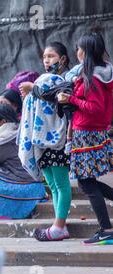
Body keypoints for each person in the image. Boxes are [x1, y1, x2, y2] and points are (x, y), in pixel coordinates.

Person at [57, 32, 113, 245]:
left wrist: (71, 99)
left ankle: (106, 229)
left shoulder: (93, 78)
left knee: (87, 183)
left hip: (87, 134)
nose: (76, 52)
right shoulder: (98, 74)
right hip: (89, 132)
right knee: (87, 182)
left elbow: (95, 108)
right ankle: (105, 228)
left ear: (86, 52)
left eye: (79, 49)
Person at [18, 42, 73, 241]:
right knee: (52, 184)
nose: (47, 60)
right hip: (40, 140)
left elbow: (53, 96)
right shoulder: (42, 81)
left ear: (63, 59)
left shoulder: (64, 80)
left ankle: (59, 226)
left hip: (56, 140)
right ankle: (59, 224)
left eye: (51, 56)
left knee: (61, 183)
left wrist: (33, 88)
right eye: (44, 57)